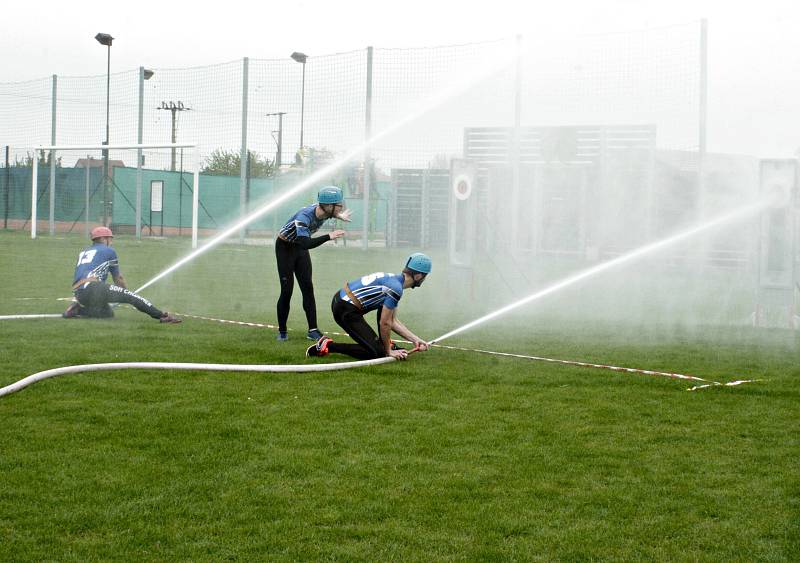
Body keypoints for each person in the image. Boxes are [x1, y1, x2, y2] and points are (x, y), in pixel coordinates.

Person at [306, 253, 432, 361]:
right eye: (425, 276)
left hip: (343, 301)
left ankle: (383, 344)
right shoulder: (395, 289)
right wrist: (388, 351)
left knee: (385, 318)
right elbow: (385, 323)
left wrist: (416, 340)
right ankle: (328, 345)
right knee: (377, 353)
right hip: (345, 309)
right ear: (418, 276)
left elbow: (392, 321)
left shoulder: (394, 281)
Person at [275, 185, 351, 341]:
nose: (341, 207)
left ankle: (313, 330)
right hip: (286, 248)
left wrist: (338, 216)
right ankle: (282, 332)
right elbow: (306, 244)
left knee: (308, 288)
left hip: (299, 248)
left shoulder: (324, 211)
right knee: (287, 291)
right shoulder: (304, 217)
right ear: (328, 206)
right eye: (338, 205)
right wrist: (328, 236)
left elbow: (303, 245)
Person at [62, 226, 181, 323]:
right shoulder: (109, 251)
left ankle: (78, 310)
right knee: (132, 297)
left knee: (107, 313)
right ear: (104, 238)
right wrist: (124, 292)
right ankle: (162, 316)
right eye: (110, 238)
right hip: (93, 287)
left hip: (79, 292)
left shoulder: (84, 251)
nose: (111, 241)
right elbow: (118, 278)